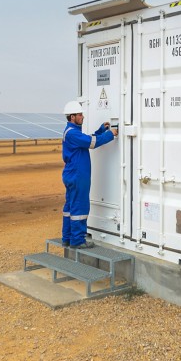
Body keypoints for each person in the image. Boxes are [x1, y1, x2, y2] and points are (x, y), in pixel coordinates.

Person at [61, 100, 117, 249]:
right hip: (78, 176)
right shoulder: (73, 133)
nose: (83, 117)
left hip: (72, 174)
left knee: (70, 207)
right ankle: (78, 241)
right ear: (72, 117)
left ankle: (67, 238)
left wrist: (100, 131)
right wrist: (110, 134)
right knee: (80, 207)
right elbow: (91, 143)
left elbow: (87, 140)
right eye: (80, 114)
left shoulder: (72, 132)